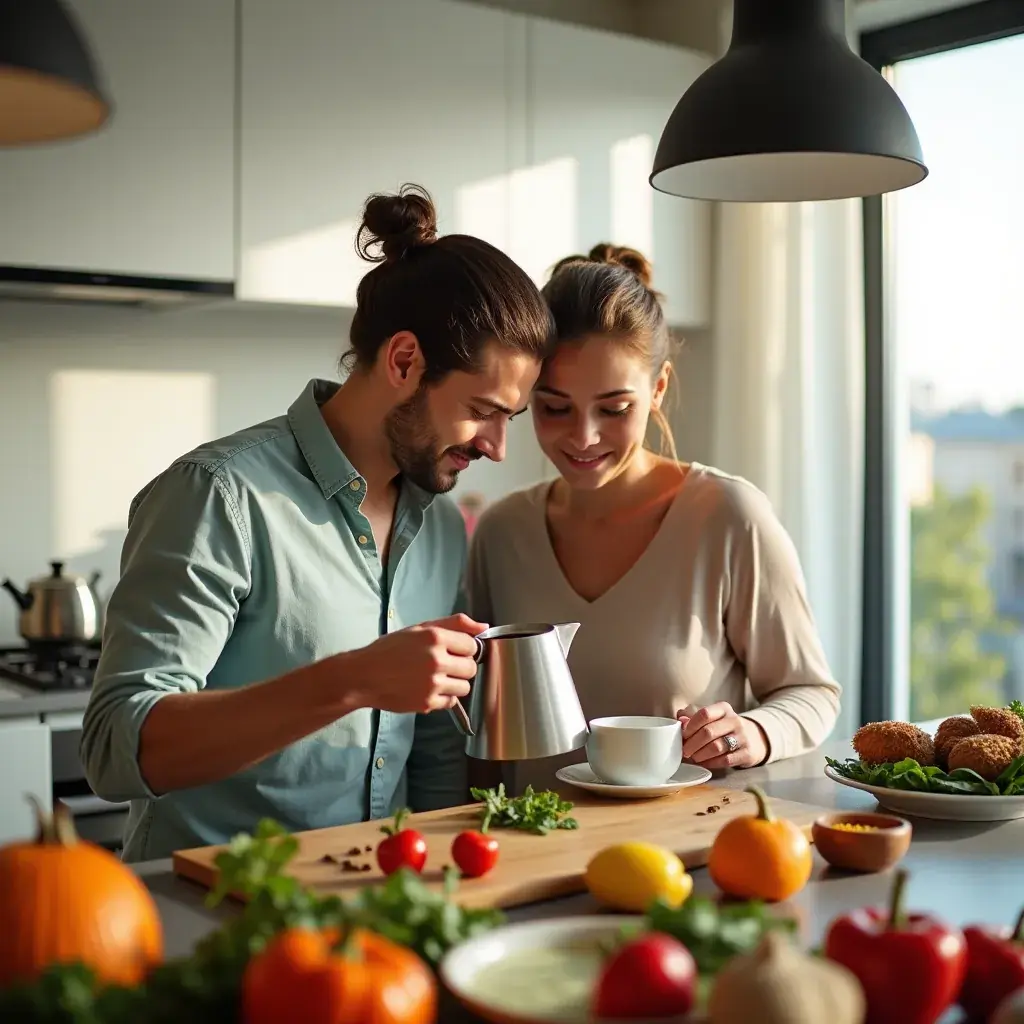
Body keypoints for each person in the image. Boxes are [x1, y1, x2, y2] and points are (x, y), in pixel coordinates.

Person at [81, 184, 554, 861]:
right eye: (483, 409)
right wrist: (352, 680)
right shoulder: (219, 496)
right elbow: (113, 748)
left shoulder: (442, 527)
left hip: (375, 912)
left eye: (510, 418)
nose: (497, 446)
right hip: (212, 916)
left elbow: (434, 756)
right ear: (403, 361)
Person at [466, 244, 842, 794]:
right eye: (553, 407)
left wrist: (753, 732)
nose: (583, 437)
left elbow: (811, 692)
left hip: (684, 855)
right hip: (533, 855)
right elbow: (477, 729)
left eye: (614, 409)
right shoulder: (501, 534)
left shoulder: (728, 517)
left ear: (658, 387)